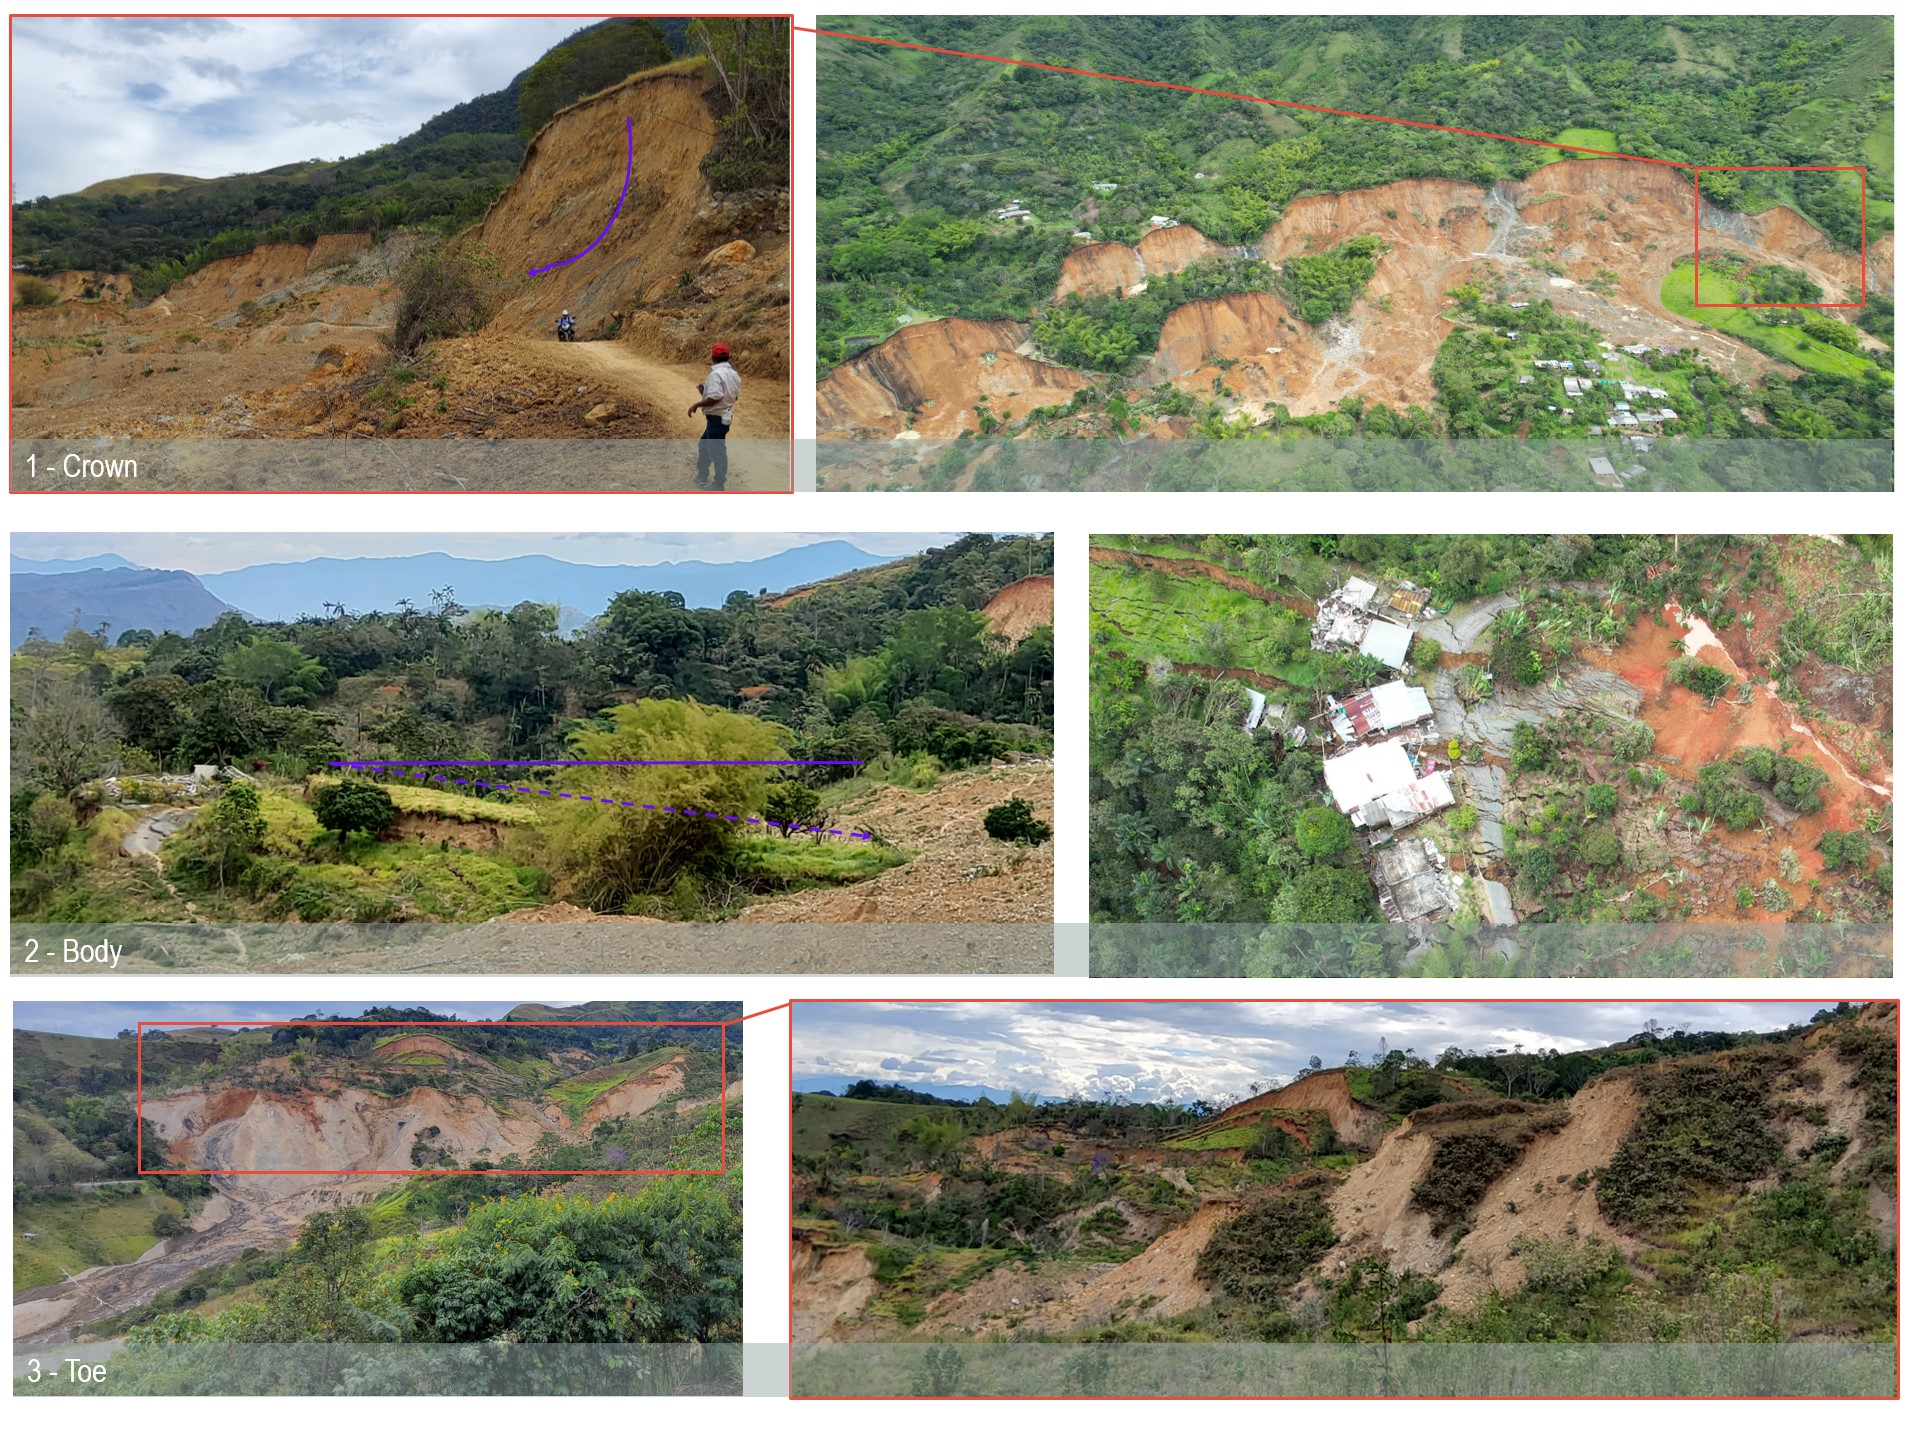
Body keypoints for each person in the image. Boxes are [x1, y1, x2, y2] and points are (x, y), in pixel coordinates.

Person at [689, 343, 740, 488]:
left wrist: (697, 404)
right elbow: (734, 396)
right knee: (704, 446)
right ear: (728, 357)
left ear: (713, 357)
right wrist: (705, 392)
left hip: (716, 419)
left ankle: (718, 484)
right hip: (724, 417)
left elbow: (715, 397)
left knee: (717, 452)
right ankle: (702, 475)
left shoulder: (715, 375)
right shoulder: (734, 375)